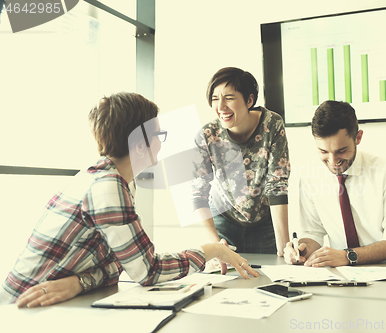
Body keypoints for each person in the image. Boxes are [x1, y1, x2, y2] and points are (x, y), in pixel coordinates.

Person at [0, 92, 258, 307]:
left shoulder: (105, 178)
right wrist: (212, 249)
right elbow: (148, 272)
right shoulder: (108, 187)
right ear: (139, 145)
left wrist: (81, 282)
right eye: (158, 135)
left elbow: (121, 264)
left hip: (46, 303)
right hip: (21, 308)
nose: (161, 143)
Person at [284, 100, 386, 267]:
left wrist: (348, 256)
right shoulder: (309, 177)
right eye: (324, 151)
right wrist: (300, 250)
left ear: (358, 137)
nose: (332, 161)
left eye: (341, 151)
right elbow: (313, 233)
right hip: (343, 273)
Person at [192, 67, 291, 257]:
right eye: (215, 98)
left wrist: (285, 247)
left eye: (229, 98)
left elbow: (277, 185)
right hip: (222, 218)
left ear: (249, 100)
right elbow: (197, 194)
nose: (221, 107)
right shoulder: (206, 135)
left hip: (264, 221)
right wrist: (215, 242)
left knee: (273, 275)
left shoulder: (272, 124)